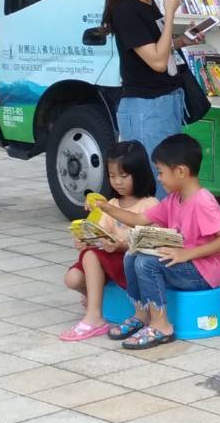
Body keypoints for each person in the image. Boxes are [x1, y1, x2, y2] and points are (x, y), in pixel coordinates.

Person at [94, 135, 220, 350]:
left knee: (147, 263)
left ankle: (161, 326)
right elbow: (140, 220)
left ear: (180, 171)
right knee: (132, 254)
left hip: (203, 272)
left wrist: (186, 254)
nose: (158, 178)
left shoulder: (202, 201)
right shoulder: (173, 199)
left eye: (161, 172)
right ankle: (141, 315)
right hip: (181, 263)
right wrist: (106, 207)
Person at [103, 0, 203, 197]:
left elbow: (158, 48)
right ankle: (155, 237)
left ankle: (165, 235)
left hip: (165, 101)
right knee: (157, 182)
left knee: (169, 180)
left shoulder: (148, 2)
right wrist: (171, 13)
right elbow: (157, 62)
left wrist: (183, 40)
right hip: (146, 106)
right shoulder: (126, 9)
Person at [60, 141, 158, 341]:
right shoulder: (111, 204)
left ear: (139, 174)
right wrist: (86, 240)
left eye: (124, 176)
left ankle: (94, 317)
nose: (118, 182)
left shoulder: (150, 205)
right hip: (108, 259)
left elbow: (151, 242)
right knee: (72, 278)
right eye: (112, 176)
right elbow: (100, 233)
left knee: (90, 256)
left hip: (129, 262)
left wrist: (120, 245)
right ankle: (93, 299)